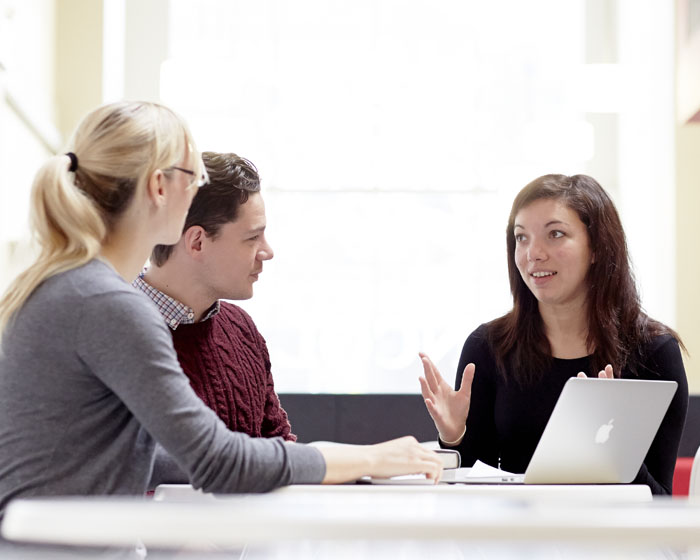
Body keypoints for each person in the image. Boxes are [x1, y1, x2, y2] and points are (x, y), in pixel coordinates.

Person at [0, 101, 442, 517]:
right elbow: (219, 463)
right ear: (159, 186)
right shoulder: (106, 304)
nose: (198, 189)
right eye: (192, 176)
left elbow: (142, 456)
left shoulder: (71, 288)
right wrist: (371, 457)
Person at [419, 173, 688, 495]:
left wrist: (612, 449)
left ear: (597, 248)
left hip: (611, 542)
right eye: (521, 238)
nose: (534, 253)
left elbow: (659, 506)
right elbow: (472, 492)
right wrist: (454, 436)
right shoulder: (488, 346)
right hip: (515, 539)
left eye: (555, 234)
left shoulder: (654, 352)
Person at [134, 151, 294, 442]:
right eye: (251, 238)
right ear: (197, 242)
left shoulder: (241, 329)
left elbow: (280, 450)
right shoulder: (116, 331)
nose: (267, 252)